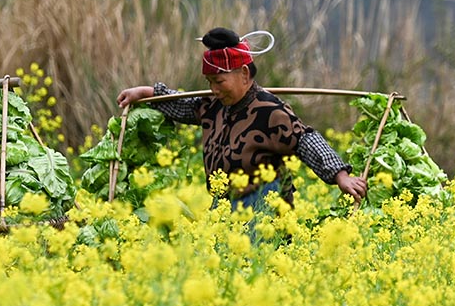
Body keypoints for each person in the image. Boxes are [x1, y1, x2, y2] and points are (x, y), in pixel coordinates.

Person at [117, 27, 367, 210]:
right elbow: (183, 105)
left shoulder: (269, 110)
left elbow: (305, 140)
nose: (214, 89)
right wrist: (146, 92)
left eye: (219, 81)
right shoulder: (213, 105)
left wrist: (340, 176)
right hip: (224, 208)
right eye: (209, 82)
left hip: (264, 207)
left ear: (244, 74)